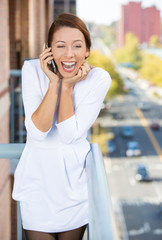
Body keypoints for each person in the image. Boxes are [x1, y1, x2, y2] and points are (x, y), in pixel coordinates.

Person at [12, 13, 112, 240]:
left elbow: (69, 135)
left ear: (87, 50)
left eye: (77, 46)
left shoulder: (99, 79)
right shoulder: (32, 70)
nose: (69, 54)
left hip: (75, 190)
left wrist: (68, 88)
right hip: (37, 188)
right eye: (60, 46)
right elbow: (37, 133)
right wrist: (55, 82)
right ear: (48, 49)